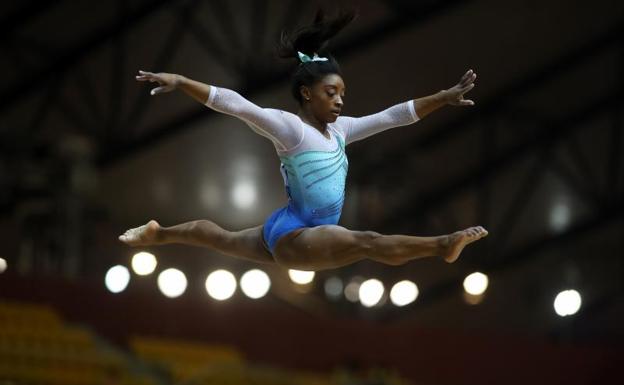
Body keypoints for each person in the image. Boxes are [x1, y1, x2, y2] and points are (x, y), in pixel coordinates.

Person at [120, 9, 488, 271]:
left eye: (342, 92)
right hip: (295, 235)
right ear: (307, 94)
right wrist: (183, 82)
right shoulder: (291, 130)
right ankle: (441, 246)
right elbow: (236, 104)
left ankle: (159, 233)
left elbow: (394, 116)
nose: (340, 100)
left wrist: (443, 96)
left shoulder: (341, 130)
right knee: (367, 242)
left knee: (218, 237)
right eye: (331, 93)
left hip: (290, 229)